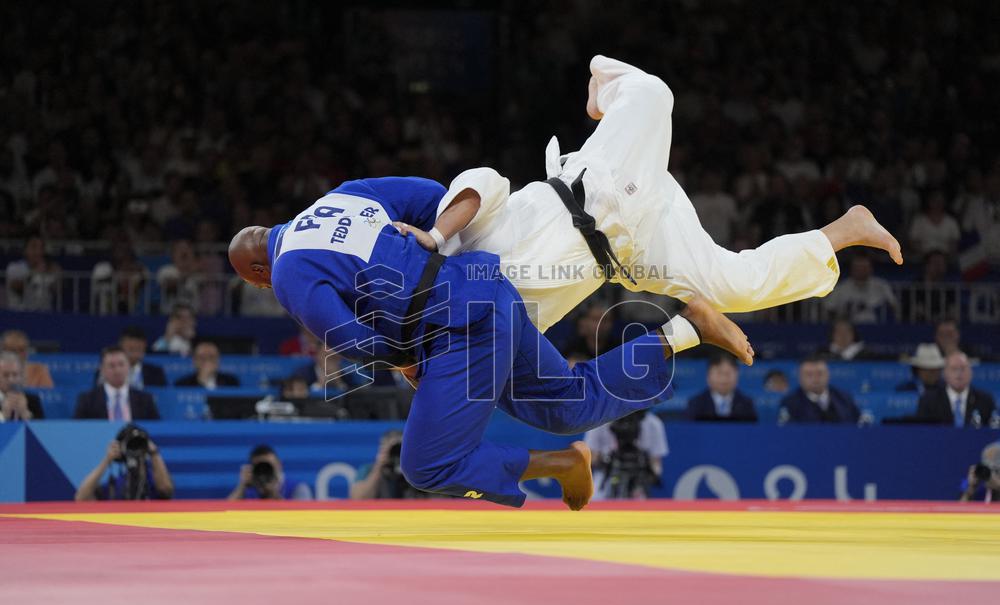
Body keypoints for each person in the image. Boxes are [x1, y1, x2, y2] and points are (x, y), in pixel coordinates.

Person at [228, 177, 754, 510]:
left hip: (455, 332)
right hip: (488, 287)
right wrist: (431, 241)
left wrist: (407, 359)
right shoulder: (342, 196)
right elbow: (435, 196)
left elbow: (353, 341)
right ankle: (687, 328)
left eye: (260, 285)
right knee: (567, 404)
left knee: (426, 465)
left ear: (257, 272)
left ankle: (556, 465)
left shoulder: (289, 269)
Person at [392, 55, 903, 335]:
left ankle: (606, 81)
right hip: (628, 253)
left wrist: (435, 235)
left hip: (601, 191)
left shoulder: (452, 245)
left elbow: (483, 180)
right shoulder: (491, 326)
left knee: (655, 94)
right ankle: (845, 230)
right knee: (738, 288)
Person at [75, 425, 174, 501]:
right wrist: (107, 460)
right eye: (131, 445)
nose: (135, 448)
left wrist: (154, 453)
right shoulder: (115, 485)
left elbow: (166, 490)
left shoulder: (155, 481)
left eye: (138, 444)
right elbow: (81, 498)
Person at [585, 410, 667, 499]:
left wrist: (650, 475)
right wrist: (605, 459)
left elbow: (656, 462)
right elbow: (591, 457)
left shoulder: (653, 423)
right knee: (596, 496)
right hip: (607, 473)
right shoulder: (600, 420)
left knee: (640, 500)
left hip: (638, 473)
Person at [73, 346, 161, 420]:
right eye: (111, 365)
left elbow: (156, 429)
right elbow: (77, 429)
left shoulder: (145, 400)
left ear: (128, 367)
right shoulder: (87, 400)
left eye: (121, 364)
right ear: (102, 369)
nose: (117, 370)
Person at [915, 352, 997, 427]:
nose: (959, 373)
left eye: (963, 368)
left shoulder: (985, 400)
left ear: (971, 373)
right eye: (954, 369)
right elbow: (922, 431)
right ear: (945, 373)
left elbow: (993, 430)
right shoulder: (928, 400)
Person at [351, 430, 432, 500]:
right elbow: (358, 499)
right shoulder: (369, 469)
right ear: (382, 449)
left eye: (401, 449)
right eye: (394, 449)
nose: (397, 453)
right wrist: (379, 466)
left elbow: (435, 499)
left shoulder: (417, 470)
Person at [780, 355, 861, 423]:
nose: (815, 379)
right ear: (800, 378)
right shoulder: (790, 402)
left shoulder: (844, 398)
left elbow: (859, 425)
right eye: (809, 375)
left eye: (820, 373)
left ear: (828, 375)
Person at [824, 253, 899, 324]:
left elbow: (894, 306)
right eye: (857, 267)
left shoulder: (881, 286)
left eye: (864, 267)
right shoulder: (841, 288)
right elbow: (829, 308)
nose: (861, 270)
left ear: (870, 268)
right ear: (852, 269)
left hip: (878, 328)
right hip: (849, 328)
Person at [685, 354, 758, 421]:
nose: (723, 379)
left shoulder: (747, 404)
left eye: (728, 374)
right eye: (719, 373)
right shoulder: (695, 404)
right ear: (708, 376)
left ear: (737, 375)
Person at [227, 444, 312, 500]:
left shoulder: (298, 488)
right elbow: (226, 515)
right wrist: (242, 486)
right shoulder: (248, 489)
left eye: (269, 466)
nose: (264, 471)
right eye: (260, 468)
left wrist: (273, 493)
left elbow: (302, 517)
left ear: (279, 465)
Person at [174, 341, 239, 388]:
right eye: (202, 357)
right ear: (194, 361)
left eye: (211, 357)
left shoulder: (231, 382)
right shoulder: (182, 384)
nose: (207, 361)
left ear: (218, 360)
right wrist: (202, 381)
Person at [0, 352, 44, 421]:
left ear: (21, 376)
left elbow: (43, 426)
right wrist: (3, 416)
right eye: (6, 375)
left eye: (15, 375)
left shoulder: (32, 400)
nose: (11, 380)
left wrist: (25, 414)